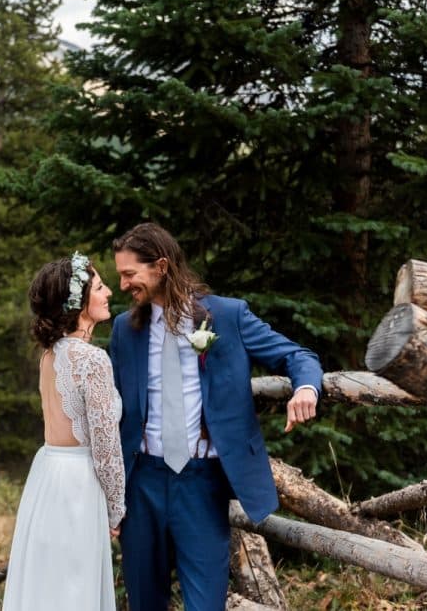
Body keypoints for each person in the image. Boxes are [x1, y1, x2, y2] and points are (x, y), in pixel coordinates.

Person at [110, 223, 322, 611]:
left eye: (129, 274)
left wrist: (306, 388)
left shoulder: (228, 315)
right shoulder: (125, 330)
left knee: (206, 604)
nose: (123, 286)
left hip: (202, 485)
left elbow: (297, 355)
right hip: (141, 483)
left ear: (160, 266)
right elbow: (109, 406)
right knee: (143, 602)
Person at [2, 252, 125, 611]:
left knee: (49, 586)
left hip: (47, 475)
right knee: (75, 587)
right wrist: (116, 509)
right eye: (100, 287)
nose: (108, 294)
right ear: (79, 302)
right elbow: (105, 446)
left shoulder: (50, 354)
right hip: (79, 484)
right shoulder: (92, 360)